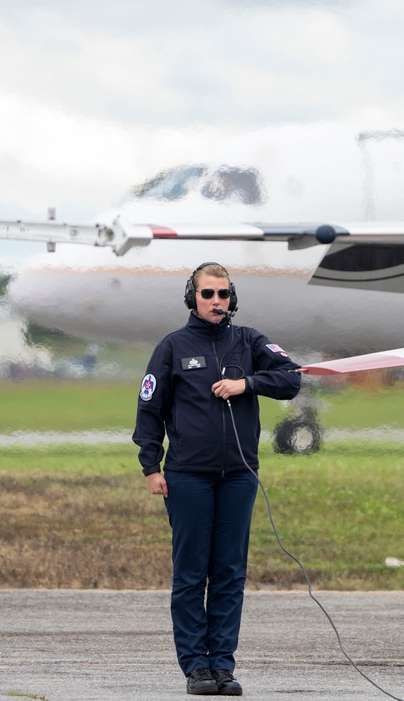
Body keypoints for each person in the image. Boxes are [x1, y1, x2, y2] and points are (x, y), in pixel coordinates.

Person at [133, 262, 301, 695]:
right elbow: (148, 410)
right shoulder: (172, 347)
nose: (216, 302)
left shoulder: (249, 341)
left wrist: (247, 384)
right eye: (207, 294)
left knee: (229, 572)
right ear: (192, 297)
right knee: (191, 573)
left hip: (240, 477)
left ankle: (223, 666)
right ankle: (195, 668)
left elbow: (291, 378)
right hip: (188, 476)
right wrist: (151, 467)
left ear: (233, 298)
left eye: (223, 294)